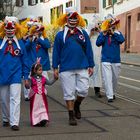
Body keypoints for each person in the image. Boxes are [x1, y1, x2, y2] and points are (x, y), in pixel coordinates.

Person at [52, 7, 94, 126]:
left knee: (84, 90)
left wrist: (91, 65)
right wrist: (55, 67)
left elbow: (88, 50)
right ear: (66, 19)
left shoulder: (83, 33)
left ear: (78, 19)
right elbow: (56, 52)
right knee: (68, 92)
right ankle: (71, 115)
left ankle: (77, 104)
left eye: (75, 18)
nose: (73, 20)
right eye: (71, 18)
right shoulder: (60, 35)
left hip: (82, 66)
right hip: (66, 68)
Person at [0, 16, 29, 131]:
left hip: (16, 74)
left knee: (15, 98)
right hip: (2, 74)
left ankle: (14, 122)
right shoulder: (0, 41)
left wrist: (26, 77)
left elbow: (25, 60)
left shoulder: (20, 43)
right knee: (4, 99)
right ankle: (6, 118)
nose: (10, 30)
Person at [96, 14, 125, 102]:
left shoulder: (118, 33)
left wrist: (113, 33)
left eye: (112, 24)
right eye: (109, 25)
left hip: (116, 60)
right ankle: (110, 96)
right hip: (106, 60)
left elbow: (121, 40)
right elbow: (98, 43)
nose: (110, 26)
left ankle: (112, 92)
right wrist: (104, 34)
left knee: (115, 79)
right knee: (107, 78)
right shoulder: (103, 33)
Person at [26, 58, 57, 127]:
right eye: (40, 70)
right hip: (34, 97)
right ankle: (36, 120)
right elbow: (28, 86)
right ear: (35, 70)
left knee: (43, 108)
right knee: (35, 108)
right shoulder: (31, 78)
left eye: (41, 69)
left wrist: (55, 78)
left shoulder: (43, 78)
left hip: (42, 97)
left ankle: (43, 119)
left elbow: (49, 83)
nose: (41, 71)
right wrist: (27, 85)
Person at [24, 20, 51, 100]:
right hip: (31, 64)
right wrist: (30, 40)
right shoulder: (30, 39)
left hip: (43, 64)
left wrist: (39, 39)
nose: (37, 32)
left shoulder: (44, 39)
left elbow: (47, 45)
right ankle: (28, 95)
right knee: (30, 79)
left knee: (43, 79)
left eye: (39, 31)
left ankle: (41, 92)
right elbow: (25, 48)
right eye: (36, 31)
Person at [88, 15, 102, 98]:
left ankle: (98, 89)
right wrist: (91, 32)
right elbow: (86, 40)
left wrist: (99, 30)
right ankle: (85, 87)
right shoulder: (90, 30)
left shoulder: (101, 29)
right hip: (92, 50)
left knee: (99, 70)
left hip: (100, 50)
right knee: (93, 69)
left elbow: (104, 36)